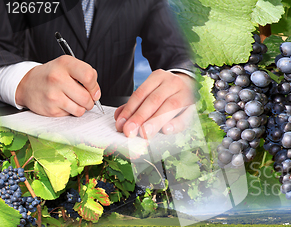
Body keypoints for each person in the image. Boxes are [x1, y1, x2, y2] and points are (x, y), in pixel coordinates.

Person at [0, 0, 195, 139]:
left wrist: (185, 78)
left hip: (114, 131)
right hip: (37, 130)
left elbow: (178, 52)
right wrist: (21, 81)